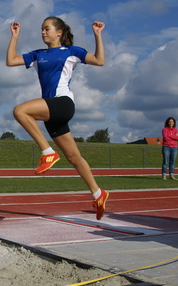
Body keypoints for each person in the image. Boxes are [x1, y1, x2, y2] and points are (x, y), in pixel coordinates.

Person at [6, 17, 108, 220]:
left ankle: (48, 152)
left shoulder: (72, 52)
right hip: (51, 112)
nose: (43, 32)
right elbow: (10, 61)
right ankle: (98, 194)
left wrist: (97, 35)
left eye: (47, 29)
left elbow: (99, 60)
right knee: (74, 157)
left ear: (59, 32)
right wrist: (14, 37)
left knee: (20, 111)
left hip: (62, 103)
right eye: (41, 29)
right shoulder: (38, 54)